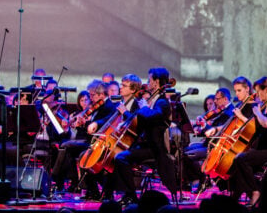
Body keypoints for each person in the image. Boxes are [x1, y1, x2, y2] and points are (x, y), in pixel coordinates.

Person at [114, 68, 177, 205]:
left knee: (121, 158)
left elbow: (154, 117)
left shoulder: (161, 102)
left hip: (154, 148)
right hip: (143, 144)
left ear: (156, 82)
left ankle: (131, 195)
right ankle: (122, 194)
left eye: (150, 80)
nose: (148, 83)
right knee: (116, 154)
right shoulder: (152, 99)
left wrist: (143, 107)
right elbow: (139, 122)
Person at [51, 80, 115, 196]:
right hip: (90, 141)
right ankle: (76, 182)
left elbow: (103, 123)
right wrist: (83, 123)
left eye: (92, 95)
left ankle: (61, 179)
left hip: (98, 144)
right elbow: (90, 125)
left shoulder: (109, 106)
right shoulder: (97, 105)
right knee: (66, 147)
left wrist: (88, 123)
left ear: (101, 94)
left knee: (68, 147)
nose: (90, 98)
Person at [228, 77, 267, 206]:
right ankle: (236, 199)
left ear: (266, 90)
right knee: (236, 164)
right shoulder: (263, 107)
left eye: (258, 91)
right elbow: (252, 127)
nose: (257, 95)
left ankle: (255, 191)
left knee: (241, 159)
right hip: (262, 149)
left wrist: (258, 113)